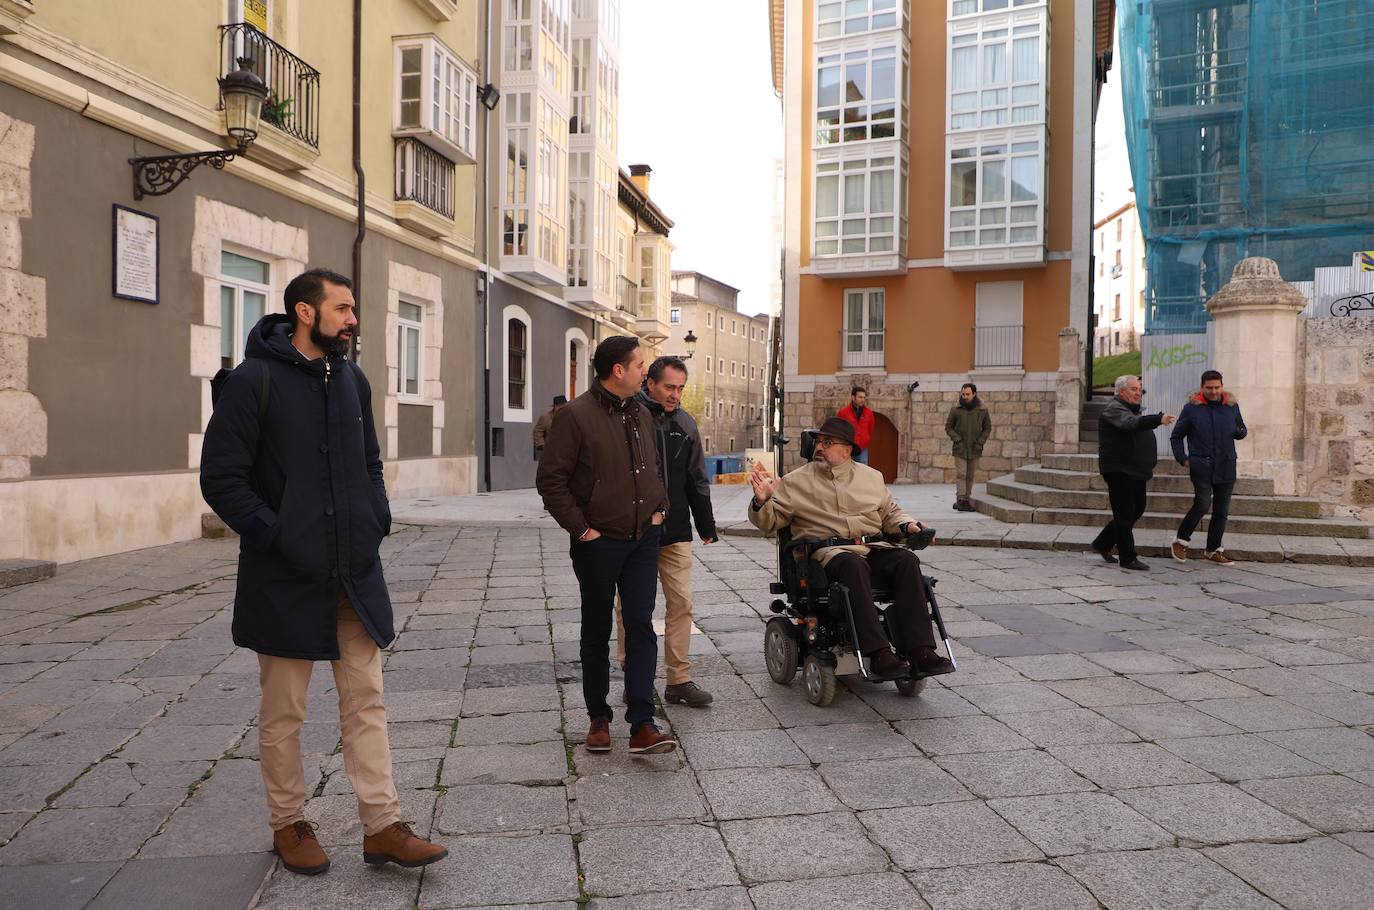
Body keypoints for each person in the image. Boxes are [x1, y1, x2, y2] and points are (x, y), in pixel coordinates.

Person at [200, 269, 447, 877]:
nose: (352, 318)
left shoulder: (351, 380)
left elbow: (369, 461)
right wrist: (278, 534)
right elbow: (221, 480)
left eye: (353, 308)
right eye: (343, 308)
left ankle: (382, 825)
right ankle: (289, 824)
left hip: (353, 572)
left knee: (367, 701)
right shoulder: (252, 381)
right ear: (306, 312)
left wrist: (375, 518)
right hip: (284, 576)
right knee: (286, 711)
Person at [537, 335, 676, 754]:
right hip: (598, 544)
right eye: (639, 365)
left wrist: (660, 508)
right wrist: (582, 531)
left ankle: (642, 722)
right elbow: (551, 481)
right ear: (618, 370)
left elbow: (654, 466)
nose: (645, 372)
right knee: (596, 629)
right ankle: (598, 716)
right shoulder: (574, 416)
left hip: (642, 540)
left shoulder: (641, 413)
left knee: (641, 627)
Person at [747, 417, 954, 679]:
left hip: (871, 547)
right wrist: (761, 501)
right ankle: (878, 653)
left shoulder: (871, 477)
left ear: (847, 450)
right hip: (828, 554)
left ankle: (921, 650)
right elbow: (770, 522)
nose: (819, 447)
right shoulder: (795, 481)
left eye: (828, 442)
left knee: (906, 560)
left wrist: (909, 526)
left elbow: (890, 513)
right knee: (852, 565)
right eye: (818, 441)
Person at [611, 357, 718, 707]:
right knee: (633, 608)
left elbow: (696, 478)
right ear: (650, 383)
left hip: (676, 531)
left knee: (682, 603)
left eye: (681, 388)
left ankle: (679, 680)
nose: (676, 395)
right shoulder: (628, 416)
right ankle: (633, 677)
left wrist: (705, 525)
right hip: (635, 530)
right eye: (670, 387)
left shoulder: (685, 423)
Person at [1091, 375, 1176, 571]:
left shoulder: (1132, 411)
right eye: (1133, 389)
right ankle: (1128, 558)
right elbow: (1130, 424)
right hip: (1120, 470)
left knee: (1136, 510)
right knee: (1124, 513)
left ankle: (1103, 543)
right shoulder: (1114, 409)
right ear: (1121, 391)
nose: (1138, 393)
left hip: (1135, 471)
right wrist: (1157, 419)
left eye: (1139, 390)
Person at [1170, 370, 1247, 566]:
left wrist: (1240, 432)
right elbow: (1176, 436)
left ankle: (1213, 550)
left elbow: (1241, 428)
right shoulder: (1192, 409)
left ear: (1222, 386)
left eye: (1217, 387)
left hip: (1226, 465)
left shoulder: (1231, 406)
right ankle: (1180, 541)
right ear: (1202, 387)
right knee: (1202, 504)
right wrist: (1183, 458)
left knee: (1222, 511)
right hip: (1201, 465)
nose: (1213, 391)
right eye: (1209, 388)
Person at [944, 382, 992, 512]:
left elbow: (987, 428)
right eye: (963, 394)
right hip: (960, 448)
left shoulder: (982, 410)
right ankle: (962, 500)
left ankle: (965, 498)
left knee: (970, 475)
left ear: (974, 394)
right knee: (961, 474)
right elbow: (948, 427)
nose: (965, 396)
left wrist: (980, 442)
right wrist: (957, 439)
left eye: (968, 394)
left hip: (975, 448)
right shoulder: (956, 410)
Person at [837, 386, 875, 465]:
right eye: (860, 397)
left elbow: (871, 429)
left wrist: (865, 439)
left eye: (864, 397)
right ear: (853, 397)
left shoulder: (869, 413)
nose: (862, 400)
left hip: (862, 449)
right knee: (845, 470)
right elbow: (839, 429)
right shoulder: (843, 413)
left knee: (862, 472)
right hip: (847, 448)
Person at [532, 394, 568, 460]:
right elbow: (537, 432)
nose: (562, 409)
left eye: (564, 407)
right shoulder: (545, 418)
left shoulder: (569, 417)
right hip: (550, 452)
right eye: (559, 406)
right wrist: (543, 446)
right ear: (555, 406)